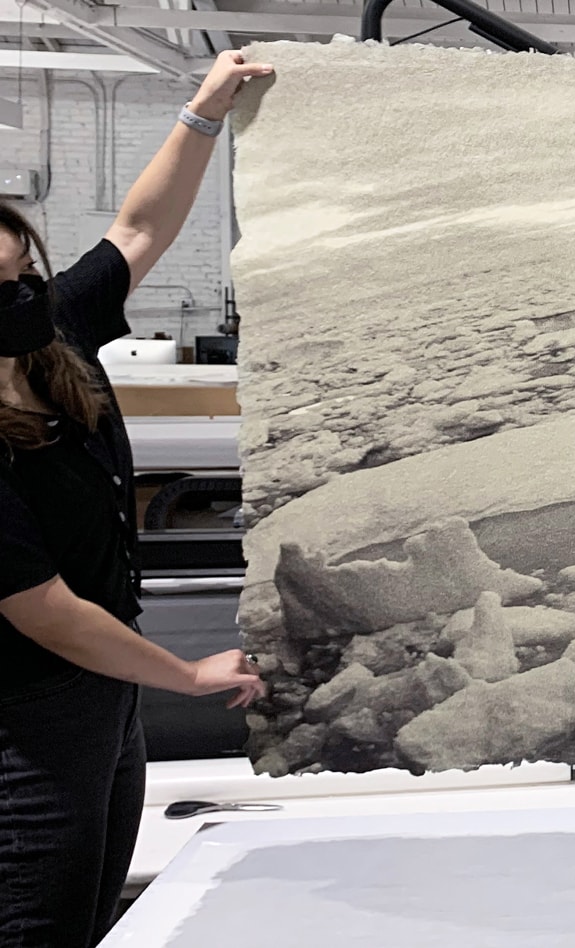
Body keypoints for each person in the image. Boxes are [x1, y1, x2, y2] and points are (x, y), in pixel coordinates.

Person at [0, 50, 273, 947]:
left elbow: (139, 231)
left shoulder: (54, 342)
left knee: (93, 899)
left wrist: (202, 113)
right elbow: (44, 610)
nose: (18, 299)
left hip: (103, 695)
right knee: (38, 916)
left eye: (20, 279)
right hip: (26, 717)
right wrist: (188, 677)